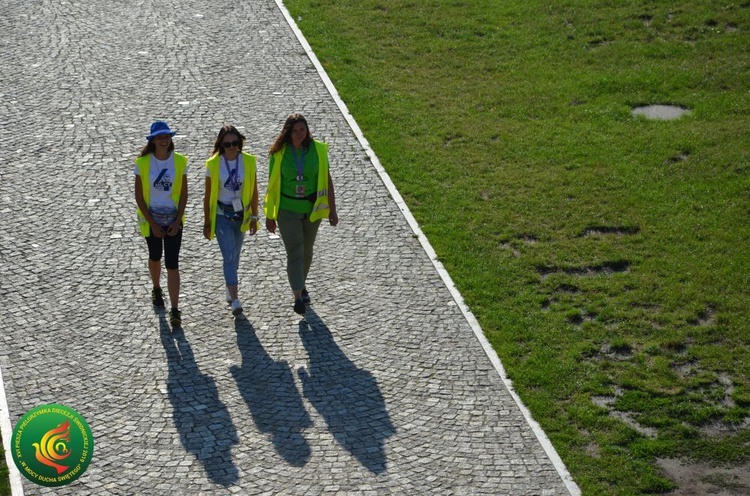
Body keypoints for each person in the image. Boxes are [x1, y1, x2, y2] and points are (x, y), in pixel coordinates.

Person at [264, 113, 338, 315]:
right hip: (287, 210)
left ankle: (301, 284)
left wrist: (332, 209)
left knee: (307, 250)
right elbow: (272, 186)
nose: (299, 134)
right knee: (295, 251)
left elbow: (327, 179)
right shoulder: (279, 154)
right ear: (288, 132)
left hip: (312, 210)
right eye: (295, 131)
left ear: (307, 131)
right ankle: (298, 296)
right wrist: (270, 215)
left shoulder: (318, 150)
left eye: (302, 130)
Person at [134, 121, 188, 326]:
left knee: (172, 264)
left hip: (174, 220)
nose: (164, 140)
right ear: (153, 141)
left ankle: (175, 309)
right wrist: (153, 224)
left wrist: (177, 219)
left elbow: (184, 194)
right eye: (160, 137)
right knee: (155, 256)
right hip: (152, 221)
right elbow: (139, 197)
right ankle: (156, 287)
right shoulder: (143, 163)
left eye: (167, 136)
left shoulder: (180, 162)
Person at [203, 125, 259, 316]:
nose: (232, 147)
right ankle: (235, 299)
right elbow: (207, 195)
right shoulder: (213, 164)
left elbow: (253, 191)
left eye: (235, 143)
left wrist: (254, 217)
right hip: (221, 216)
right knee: (229, 256)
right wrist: (207, 222)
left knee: (235, 255)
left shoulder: (249, 162)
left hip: (241, 216)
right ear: (221, 145)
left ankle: (229, 286)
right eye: (227, 144)